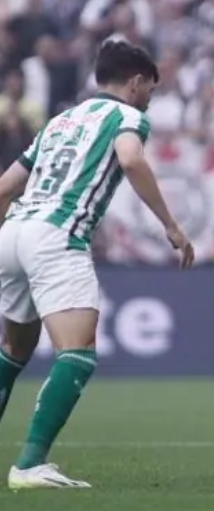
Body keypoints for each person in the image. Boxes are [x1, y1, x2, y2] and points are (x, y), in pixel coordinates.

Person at [0, 40, 195, 490]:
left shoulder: (60, 120)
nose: (149, 98)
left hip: (16, 229)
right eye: (150, 88)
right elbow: (130, 158)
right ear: (136, 82)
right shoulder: (127, 117)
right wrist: (171, 225)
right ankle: (30, 464)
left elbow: (7, 185)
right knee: (78, 352)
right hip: (56, 236)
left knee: (14, 349)